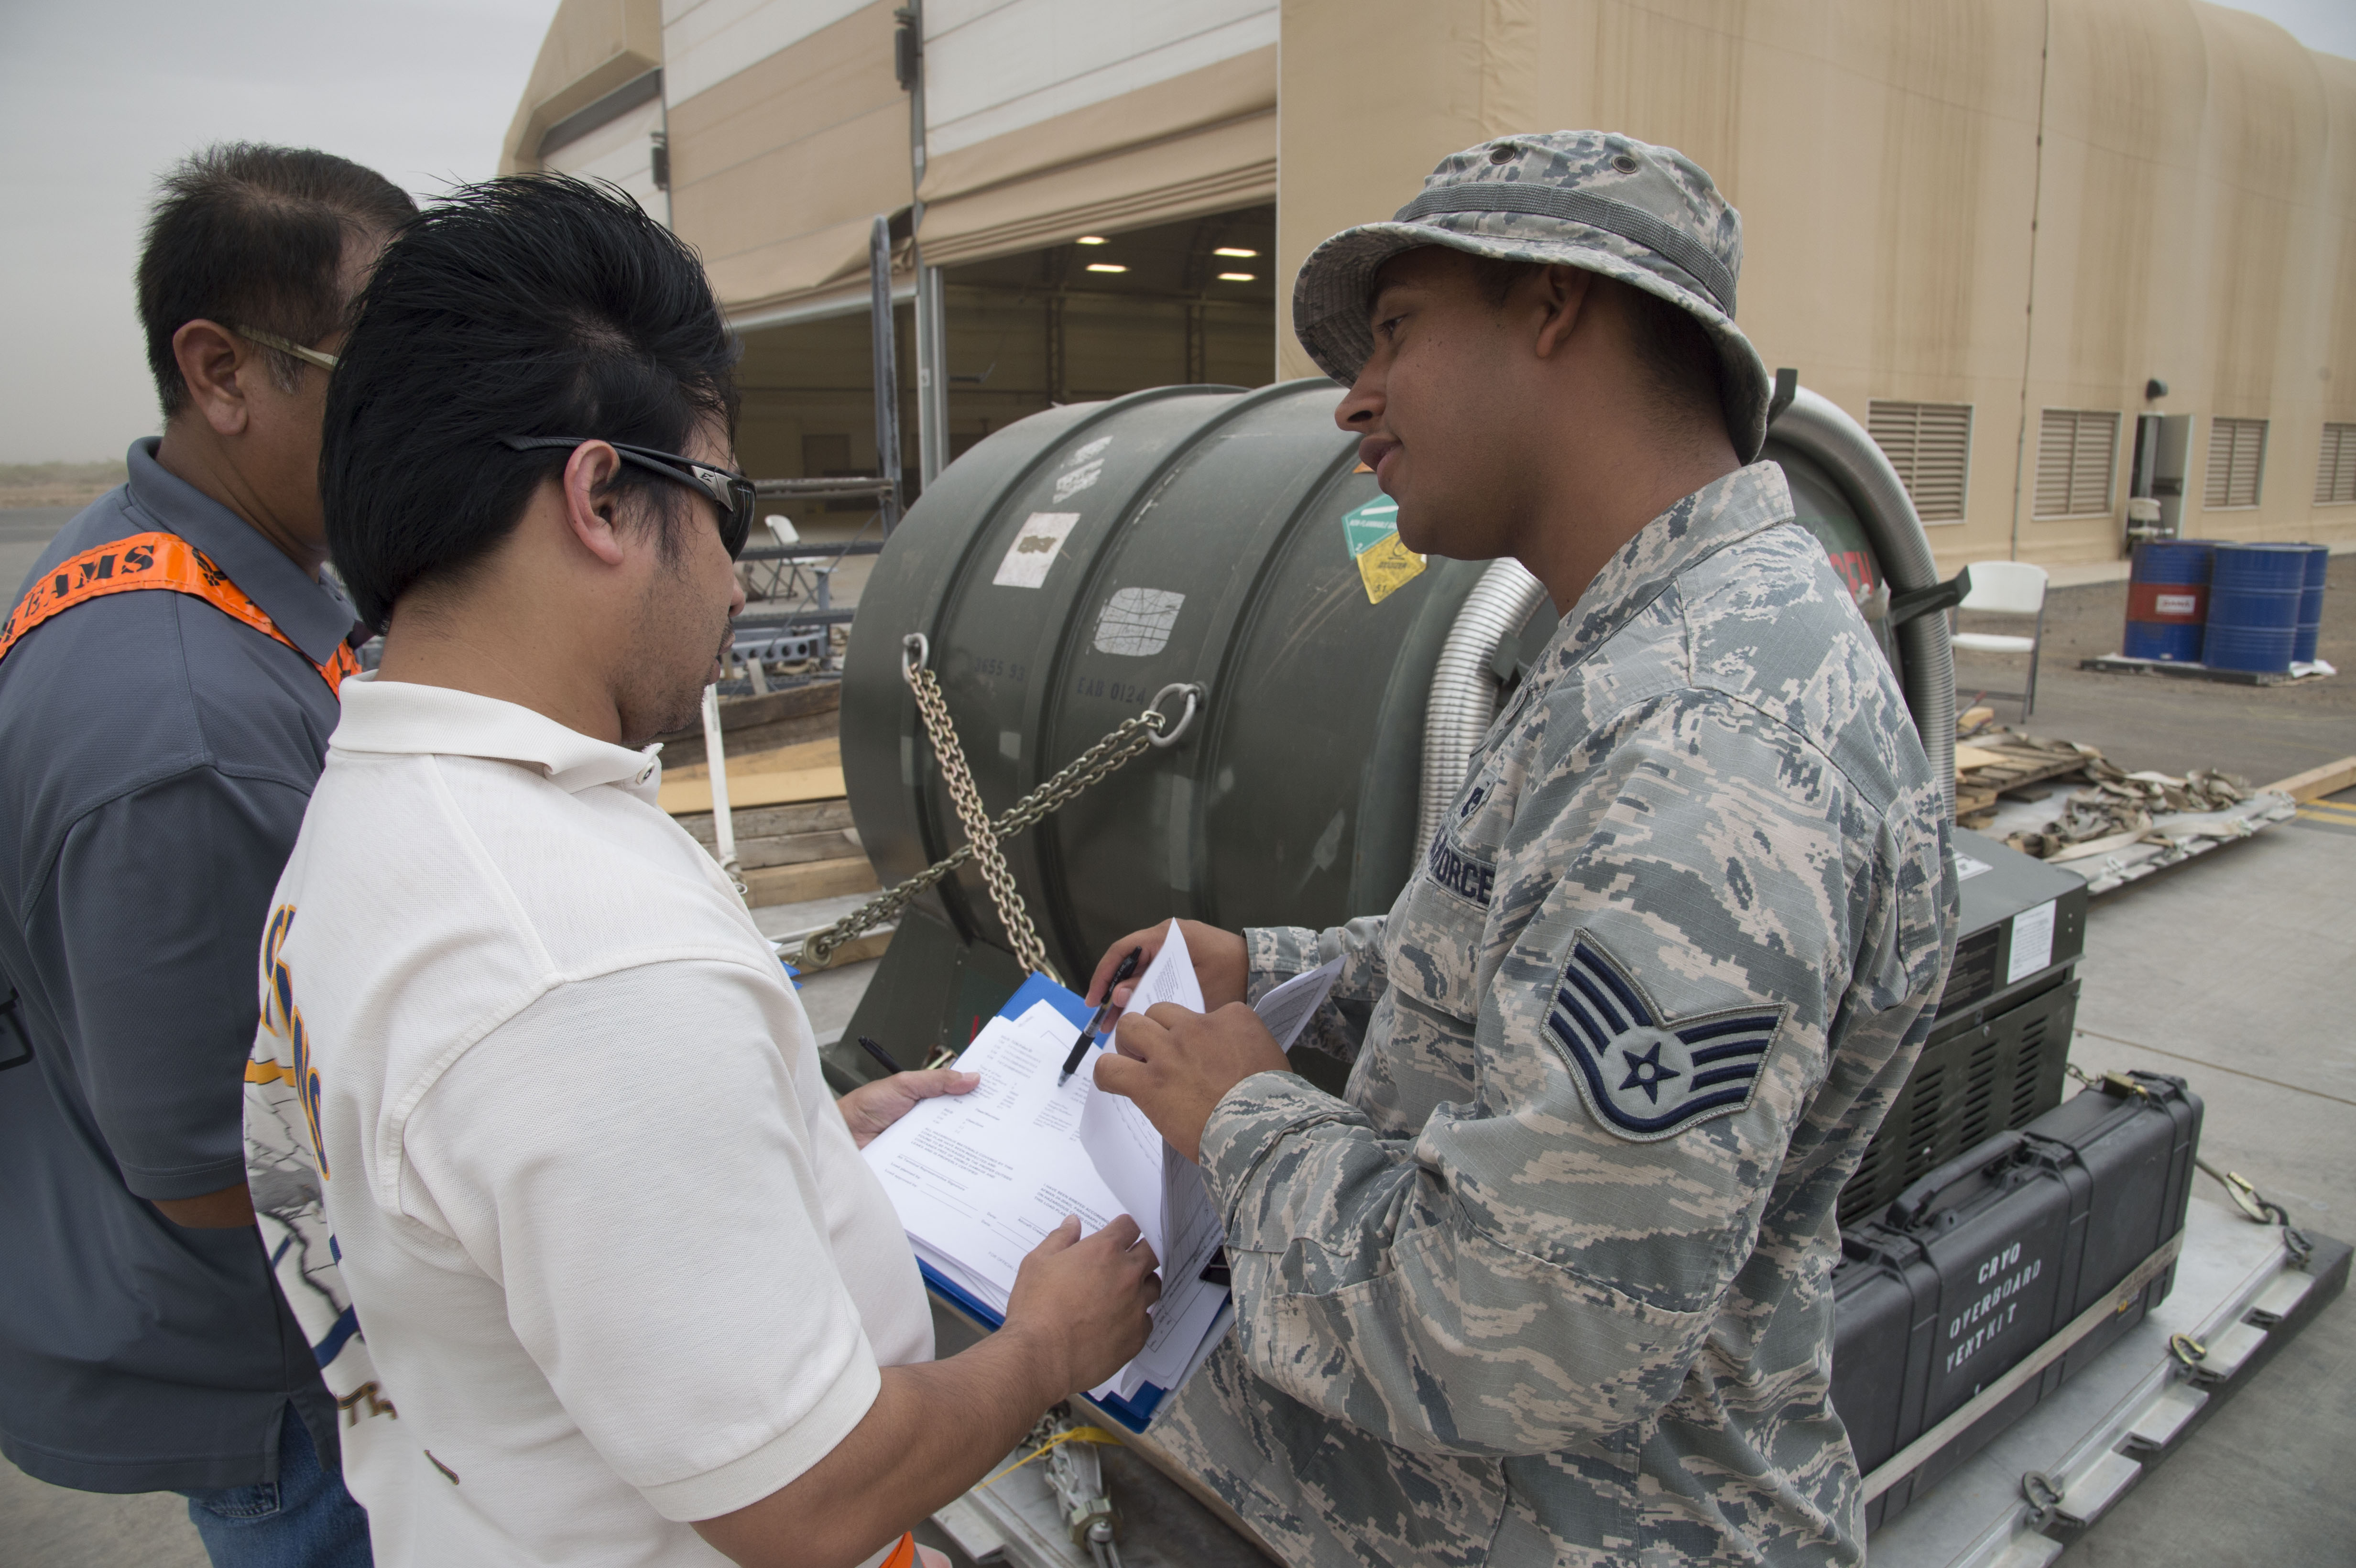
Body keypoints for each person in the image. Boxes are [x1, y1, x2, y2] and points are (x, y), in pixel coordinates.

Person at [239, 174, 1161, 1568]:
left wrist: (792, 1154)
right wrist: (1044, 1348)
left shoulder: (380, 814)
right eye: (726, 502)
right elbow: (810, 1500)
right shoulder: (578, 961)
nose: (739, 579)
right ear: (603, 494)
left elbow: (500, 1217)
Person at [1086, 132, 1958, 1566]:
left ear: (1554, 306)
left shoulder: (1708, 741)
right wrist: (1287, 971)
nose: (1355, 401)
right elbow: (1516, 982)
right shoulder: (1640, 649)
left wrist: (1240, 1113)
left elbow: (1535, 1326)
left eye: (1399, 331)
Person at [0, 143, 414, 1565]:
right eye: (387, 367)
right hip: (292, 1382)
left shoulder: (213, 571)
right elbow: (206, 1163)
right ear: (223, 372)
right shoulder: (181, 732)